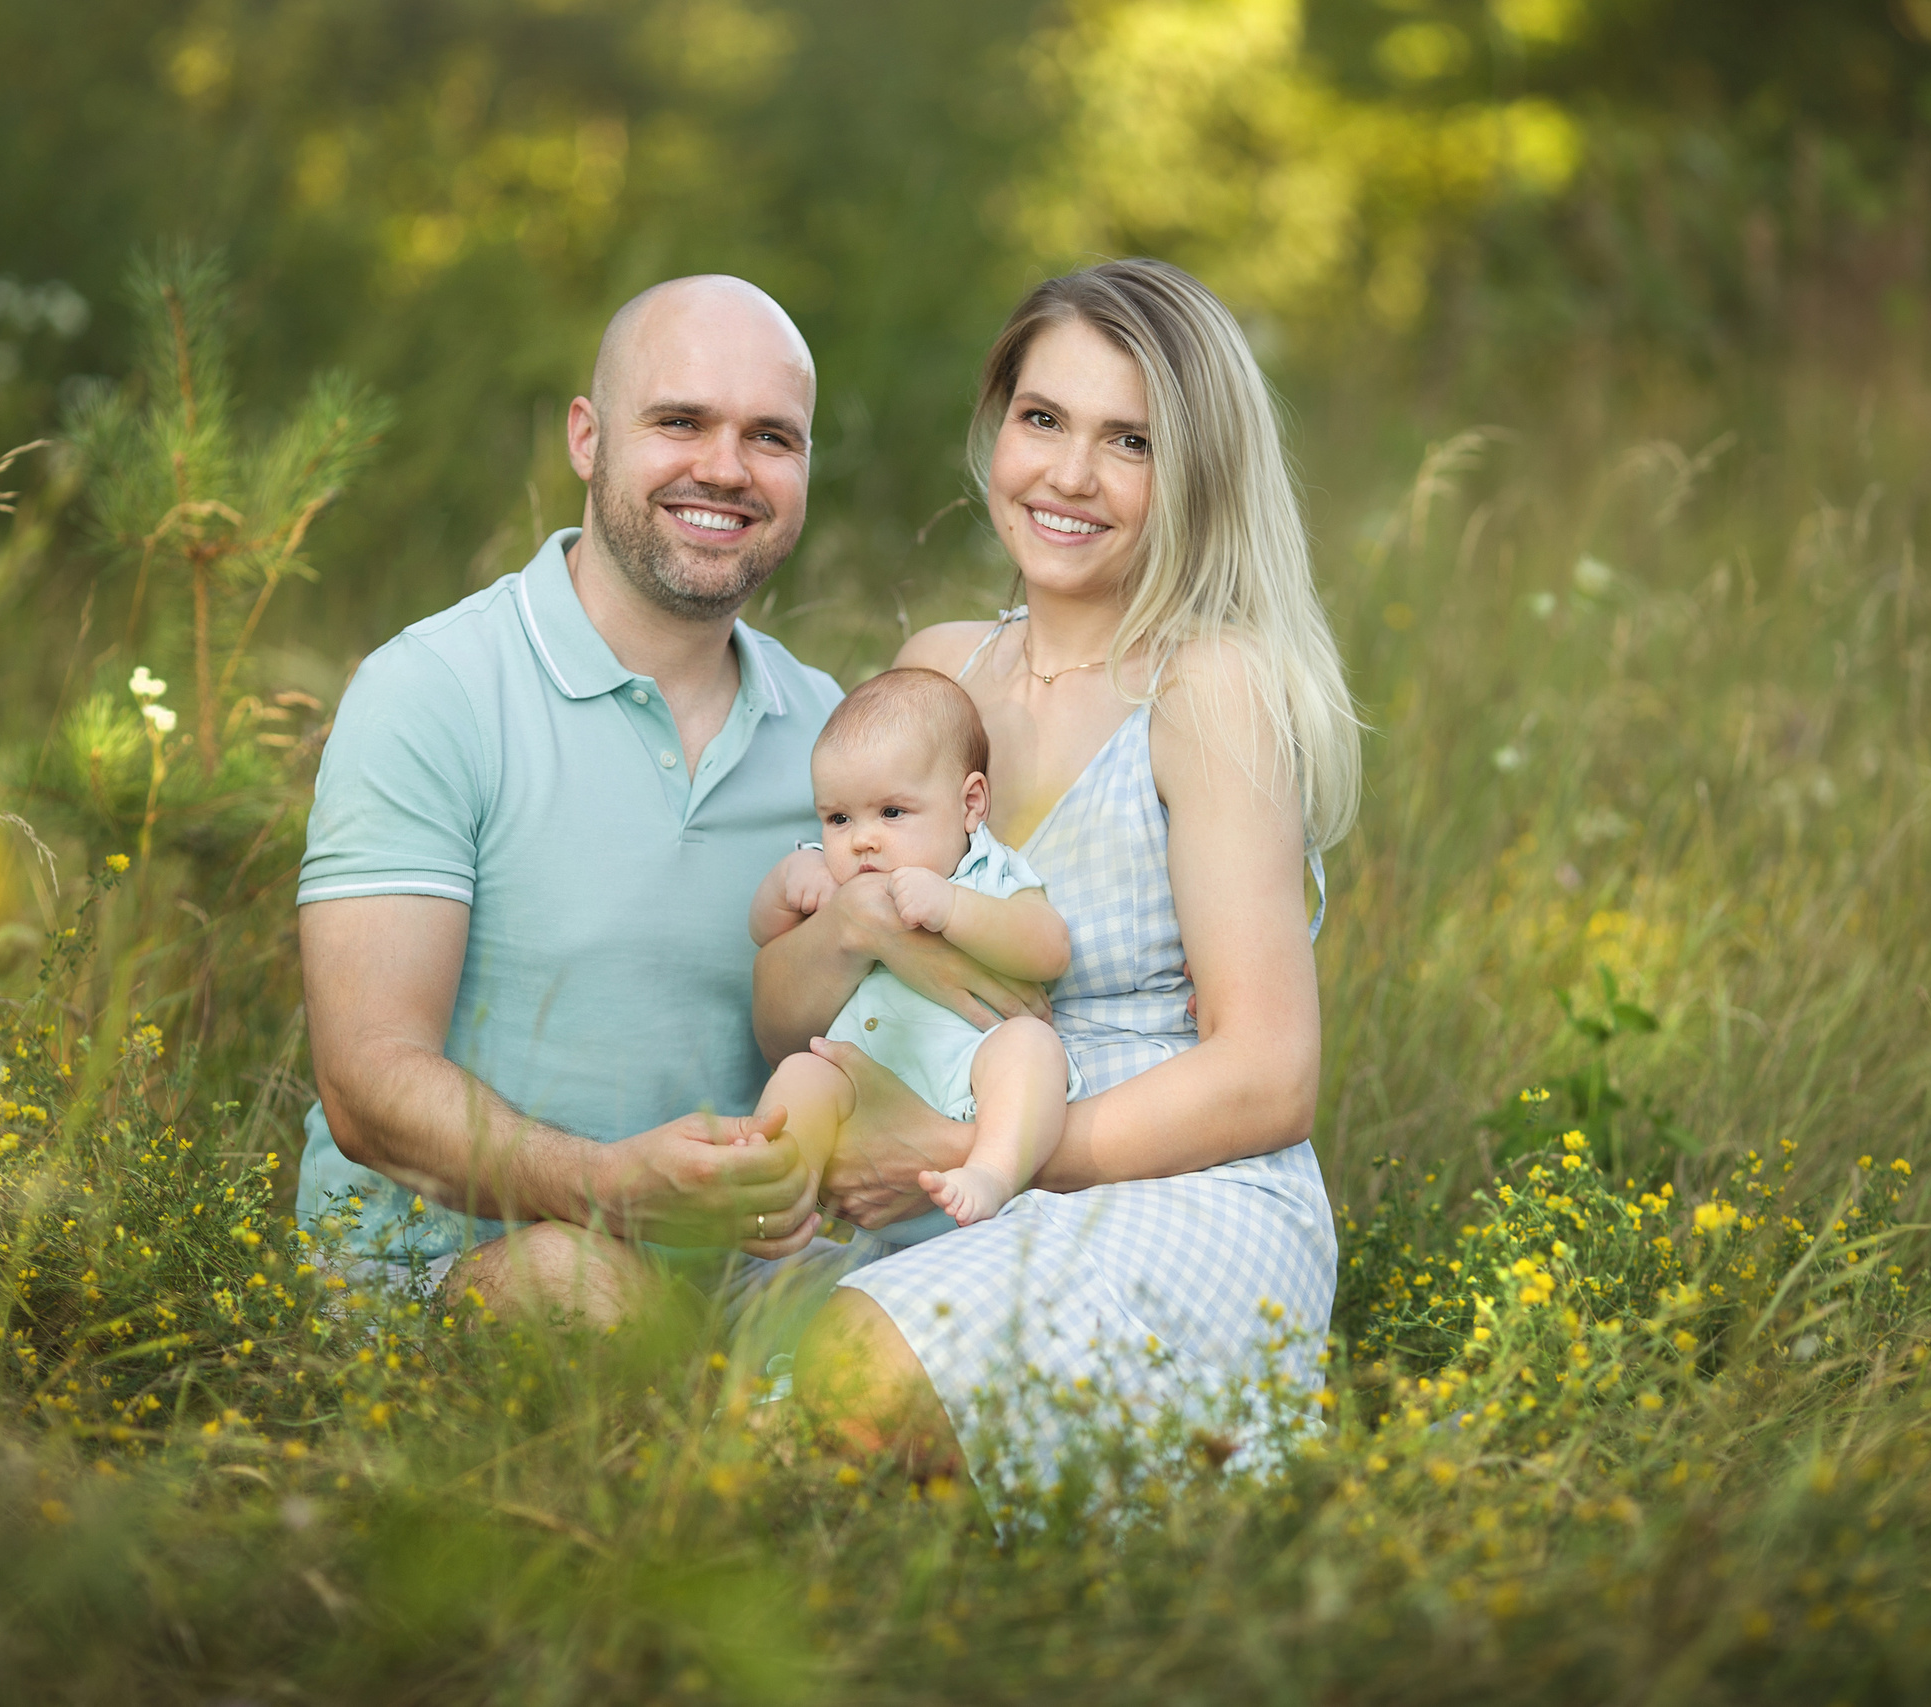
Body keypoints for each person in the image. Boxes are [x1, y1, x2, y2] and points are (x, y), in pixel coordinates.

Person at [753, 258, 1362, 1486]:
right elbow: (780, 1000)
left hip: (1164, 1183)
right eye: (1043, 420)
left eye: (1128, 441)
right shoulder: (938, 671)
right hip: (937, 1170)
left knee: (841, 1388)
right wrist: (860, 921)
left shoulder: (1207, 688)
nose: (1069, 476)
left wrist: (958, 1146)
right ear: (998, 431)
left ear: (1192, 473)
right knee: (708, 1408)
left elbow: (1268, 1078)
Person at [295, 274, 879, 1322]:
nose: (725, 469)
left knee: (974, 1336)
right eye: (680, 422)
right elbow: (367, 1084)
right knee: (589, 1295)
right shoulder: (434, 688)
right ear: (586, 437)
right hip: (443, 1275)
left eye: (771, 438)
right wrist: (611, 1190)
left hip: (738, 1280)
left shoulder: (832, 734)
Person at [746, 668, 1083, 1232]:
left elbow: (1049, 947)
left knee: (1029, 1046)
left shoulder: (985, 870)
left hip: (967, 1078)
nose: (861, 839)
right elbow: (765, 936)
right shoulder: (835, 876)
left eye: (892, 813)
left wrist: (954, 908)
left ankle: (992, 1171)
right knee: (802, 1074)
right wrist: (784, 885)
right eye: (838, 818)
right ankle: (774, 1196)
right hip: (858, 1080)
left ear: (970, 805)